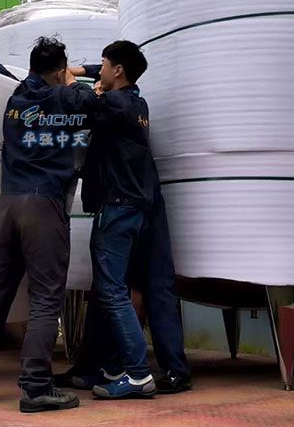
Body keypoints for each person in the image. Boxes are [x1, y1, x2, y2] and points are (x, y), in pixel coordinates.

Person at [0, 38, 97, 413]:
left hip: (8, 206)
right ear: (59, 71)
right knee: (46, 298)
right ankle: (36, 388)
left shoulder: (16, 96)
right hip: (43, 206)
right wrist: (73, 75)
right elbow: (96, 97)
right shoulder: (67, 99)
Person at [67, 40, 192, 399]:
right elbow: (106, 79)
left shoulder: (113, 105)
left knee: (113, 288)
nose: (101, 69)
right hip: (143, 203)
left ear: (118, 70)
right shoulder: (137, 103)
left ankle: (137, 372)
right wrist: (84, 71)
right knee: (128, 286)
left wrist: (66, 77)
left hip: (120, 206)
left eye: (104, 64)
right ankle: (110, 365)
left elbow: (81, 103)